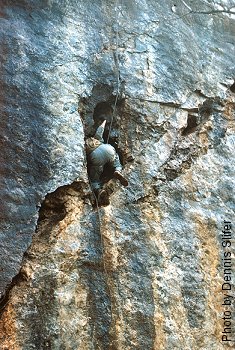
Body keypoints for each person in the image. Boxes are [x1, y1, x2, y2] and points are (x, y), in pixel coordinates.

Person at [86, 120, 128, 202]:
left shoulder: (84, 146)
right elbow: (100, 129)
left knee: (94, 178)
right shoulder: (96, 138)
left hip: (96, 157)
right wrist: (104, 121)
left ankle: (98, 190)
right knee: (117, 162)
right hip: (108, 149)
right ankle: (117, 171)